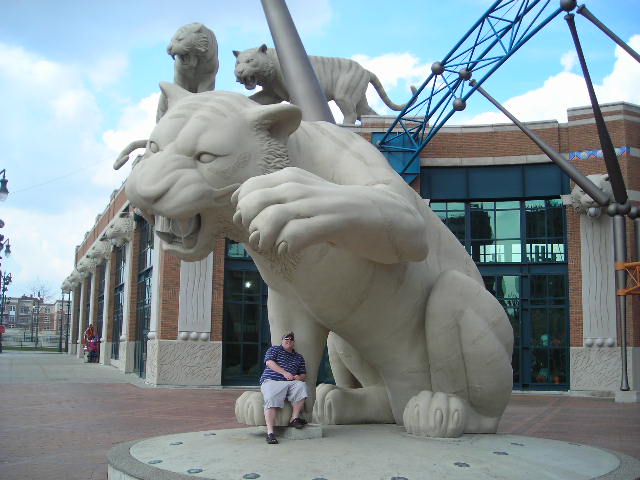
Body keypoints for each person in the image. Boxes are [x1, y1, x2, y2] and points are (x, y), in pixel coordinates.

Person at [259, 332, 308, 444]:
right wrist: (285, 373)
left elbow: (304, 375)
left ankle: (294, 418)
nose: (289, 340)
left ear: (294, 343)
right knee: (271, 398)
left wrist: (298, 377)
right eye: (286, 339)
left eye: (291, 339)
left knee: (302, 386)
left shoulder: (299, 357)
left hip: (291, 382)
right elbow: (269, 362)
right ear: (282, 341)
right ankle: (270, 433)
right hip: (272, 380)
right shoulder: (274, 349)